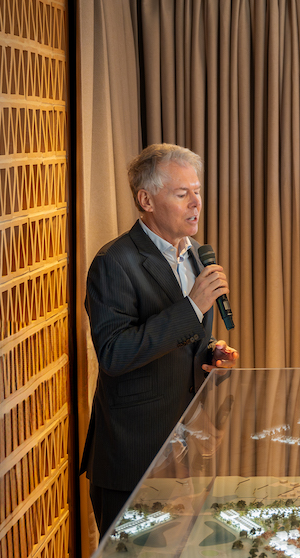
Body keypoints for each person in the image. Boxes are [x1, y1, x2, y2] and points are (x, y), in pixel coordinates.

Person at [84, 143, 239, 537]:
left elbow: (176, 340)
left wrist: (209, 354)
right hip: (133, 456)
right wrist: (191, 309)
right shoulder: (114, 262)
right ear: (146, 199)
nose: (196, 204)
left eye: (197, 191)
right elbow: (115, 354)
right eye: (182, 194)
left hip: (184, 451)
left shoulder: (193, 255)